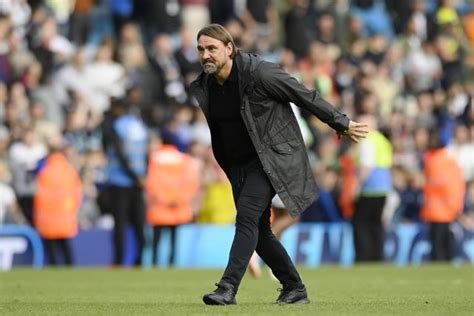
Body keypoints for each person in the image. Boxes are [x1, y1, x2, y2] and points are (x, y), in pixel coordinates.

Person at [190, 24, 368, 305]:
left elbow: (302, 94)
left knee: (247, 217)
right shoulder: (208, 85)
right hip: (238, 164)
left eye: (212, 48)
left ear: (229, 48)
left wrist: (341, 122)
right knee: (259, 232)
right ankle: (294, 288)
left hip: (273, 157)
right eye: (201, 49)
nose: (205, 55)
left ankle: (227, 288)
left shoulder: (260, 72)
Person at [101, 98, 148, 266]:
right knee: (139, 225)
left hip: (120, 181)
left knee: (120, 225)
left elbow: (120, 155)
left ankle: (119, 262)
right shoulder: (141, 127)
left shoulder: (117, 125)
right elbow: (145, 153)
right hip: (138, 183)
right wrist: (142, 176)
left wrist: (134, 176)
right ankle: (139, 261)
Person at [421, 130, 465, 261]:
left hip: (440, 208)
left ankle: (442, 261)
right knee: (443, 240)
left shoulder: (437, 160)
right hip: (443, 208)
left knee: (439, 242)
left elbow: (443, 185)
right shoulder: (445, 159)